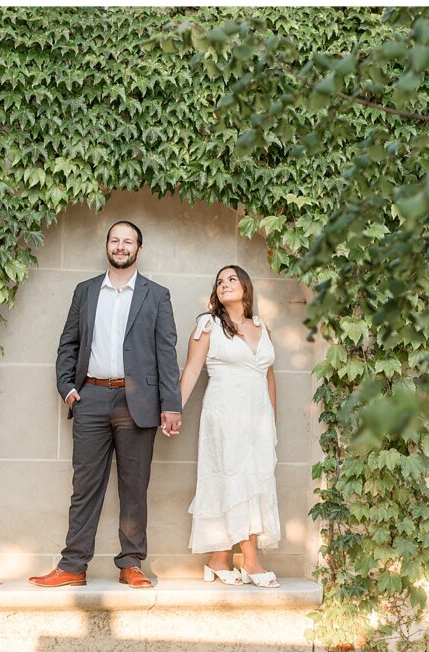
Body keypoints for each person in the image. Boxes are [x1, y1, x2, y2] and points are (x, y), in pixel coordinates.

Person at [30, 220, 182, 589]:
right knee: (85, 485)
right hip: (92, 398)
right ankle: (72, 566)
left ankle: (131, 564)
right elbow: (68, 343)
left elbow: (166, 352)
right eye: (114, 240)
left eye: (127, 241)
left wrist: (171, 404)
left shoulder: (156, 294)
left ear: (138, 250)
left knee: (135, 486)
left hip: (139, 403)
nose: (120, 246)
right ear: (107, 246)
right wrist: (67, 388)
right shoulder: (85, 292)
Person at [178, 265, 281, 588]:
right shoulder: (208, 325)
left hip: (257, 417)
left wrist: (271, 422)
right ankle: (250, 561)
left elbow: (268, 375)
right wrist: (172, 411)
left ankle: (218, 559)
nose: (225, 284)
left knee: (251, 480)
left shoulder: (263, 327)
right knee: (233, 479)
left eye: (232, 279)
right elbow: (192, 370)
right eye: (219, 281)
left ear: (246, 287)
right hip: (223, 413)